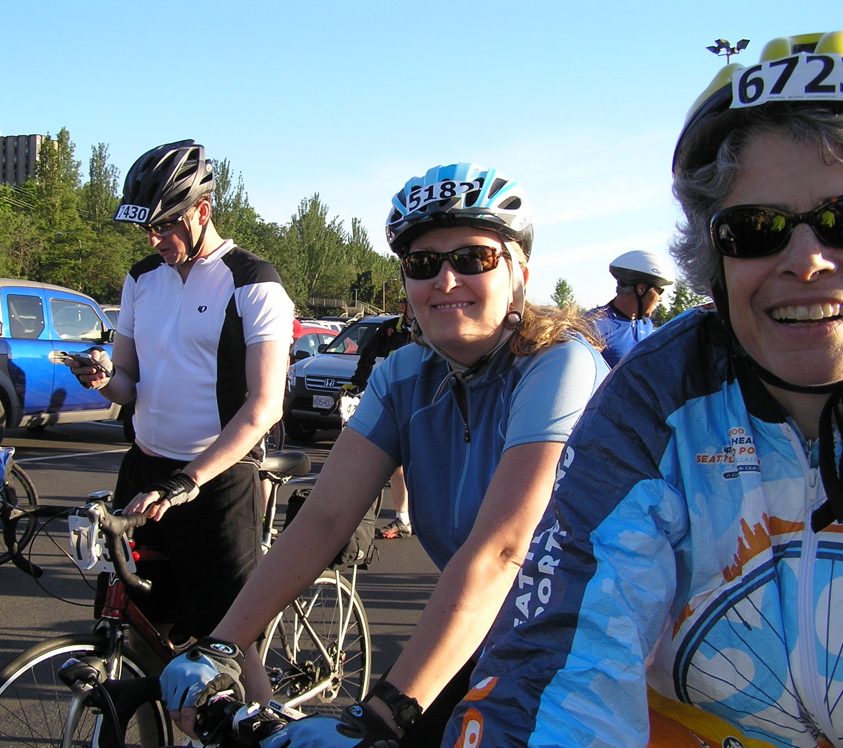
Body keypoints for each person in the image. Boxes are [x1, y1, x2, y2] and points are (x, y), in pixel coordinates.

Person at [446, 31, 843, 748]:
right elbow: (558, 663)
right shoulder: (652, 384)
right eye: (754, 230)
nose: (807, 260)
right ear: (711, 260)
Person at [155, 162, 609, 746]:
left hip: (588, 651)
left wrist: (382, 717)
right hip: (481, 634)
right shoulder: (403, 374)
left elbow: (503, 551)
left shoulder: (559, 365)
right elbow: (325, 517)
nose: (446, 280)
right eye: (423, 264)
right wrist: (224, 645)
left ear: (519, 274)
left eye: (474, 258)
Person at [66, 139, 294, 696]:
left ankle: (261, 724)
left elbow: (264, 406)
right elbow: (127, 382)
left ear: (202, 211)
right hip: (145, 471)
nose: (153, 239)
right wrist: (100, 376)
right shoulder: (142, 277)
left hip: (215, 479)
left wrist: (188, 480)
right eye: (145, 227)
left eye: (164, 225)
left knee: (228, 640)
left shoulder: (253, 281)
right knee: (136, 622)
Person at [344, 291, 414, 539]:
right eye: (408, 303)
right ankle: (403, 518)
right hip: (397, 402)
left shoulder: (431, 327)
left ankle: (426, 517)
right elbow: (368, 354)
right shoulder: (390, 330)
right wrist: (357, 383)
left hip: (427, 403)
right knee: (397, 465)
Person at [586, 250, 675, 367]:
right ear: (641, 289)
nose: (660, 299)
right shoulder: (593, 324)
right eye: (659, 291)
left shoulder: (646, 324)